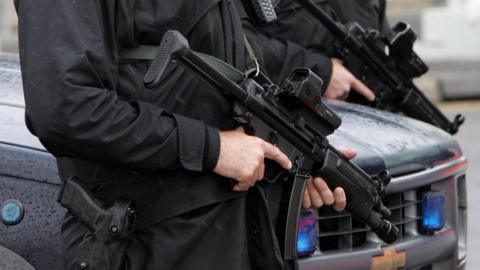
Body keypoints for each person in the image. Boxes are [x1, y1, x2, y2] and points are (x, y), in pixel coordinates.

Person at [15, 0, 351, 269]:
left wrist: (288, 153)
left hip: (227, 230)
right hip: (151, 239)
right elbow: (65, 110)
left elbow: (214, 78)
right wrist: (212, 148)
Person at [239, 0, 387, 102]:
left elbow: (383, 43)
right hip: (286, 122)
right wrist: (323, 72)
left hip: (369, 118)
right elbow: (234, 40)